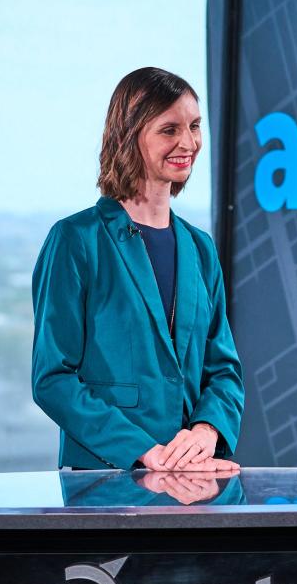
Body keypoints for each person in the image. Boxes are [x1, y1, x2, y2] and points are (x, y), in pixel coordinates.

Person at [32, 67, 244, 473]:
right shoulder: (75, 239)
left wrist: (206, 432)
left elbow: (224, 368)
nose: (189, 142)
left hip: (191, 481)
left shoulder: (200, 247)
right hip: (103, 479)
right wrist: (146, 452)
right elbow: (52, 379)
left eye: (195, 126)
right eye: (169, 129)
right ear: (129, 136)